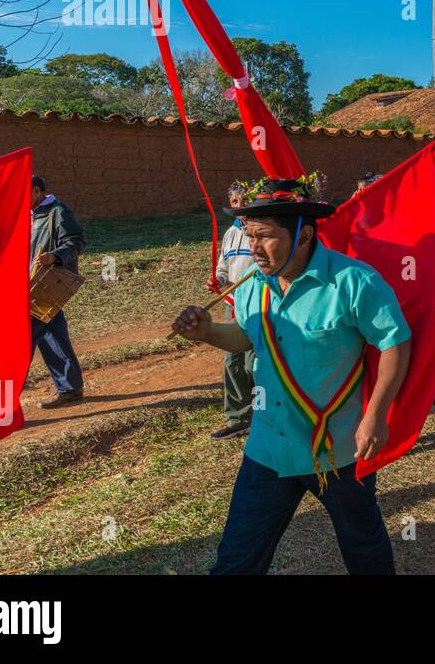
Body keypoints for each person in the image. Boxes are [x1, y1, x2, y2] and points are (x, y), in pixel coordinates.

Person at [170, 176, 411, 574]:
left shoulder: (353, 282)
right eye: (249, 235)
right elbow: (247, 337)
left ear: (303, 235)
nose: (254, 248)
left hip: (338, 451)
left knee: (364, 550)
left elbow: (394, 342)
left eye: (265, 236)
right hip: (268, 448)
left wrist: (376, 415)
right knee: (237, 558)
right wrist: (208, 332)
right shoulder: (252, 285)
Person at [29, 175, 87, 408]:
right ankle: (70, 388)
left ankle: (4, 397)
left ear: (35, 191)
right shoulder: (30, 215)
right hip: (31, 284)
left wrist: (55, 256)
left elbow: (77, 240)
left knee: (24, 336)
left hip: (46, 282)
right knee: (52, 333)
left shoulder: (57, 211)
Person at [209, 184, 256, 439]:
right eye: (235, 201)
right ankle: (238, 418)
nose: (239, 206)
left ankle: (262, 415)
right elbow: (222, 267)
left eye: (244, 200)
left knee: (253, 365)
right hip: (232, 306)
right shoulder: (229, 234)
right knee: (232, 363)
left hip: (257, 306)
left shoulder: (260, 232)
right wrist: (219, 282)